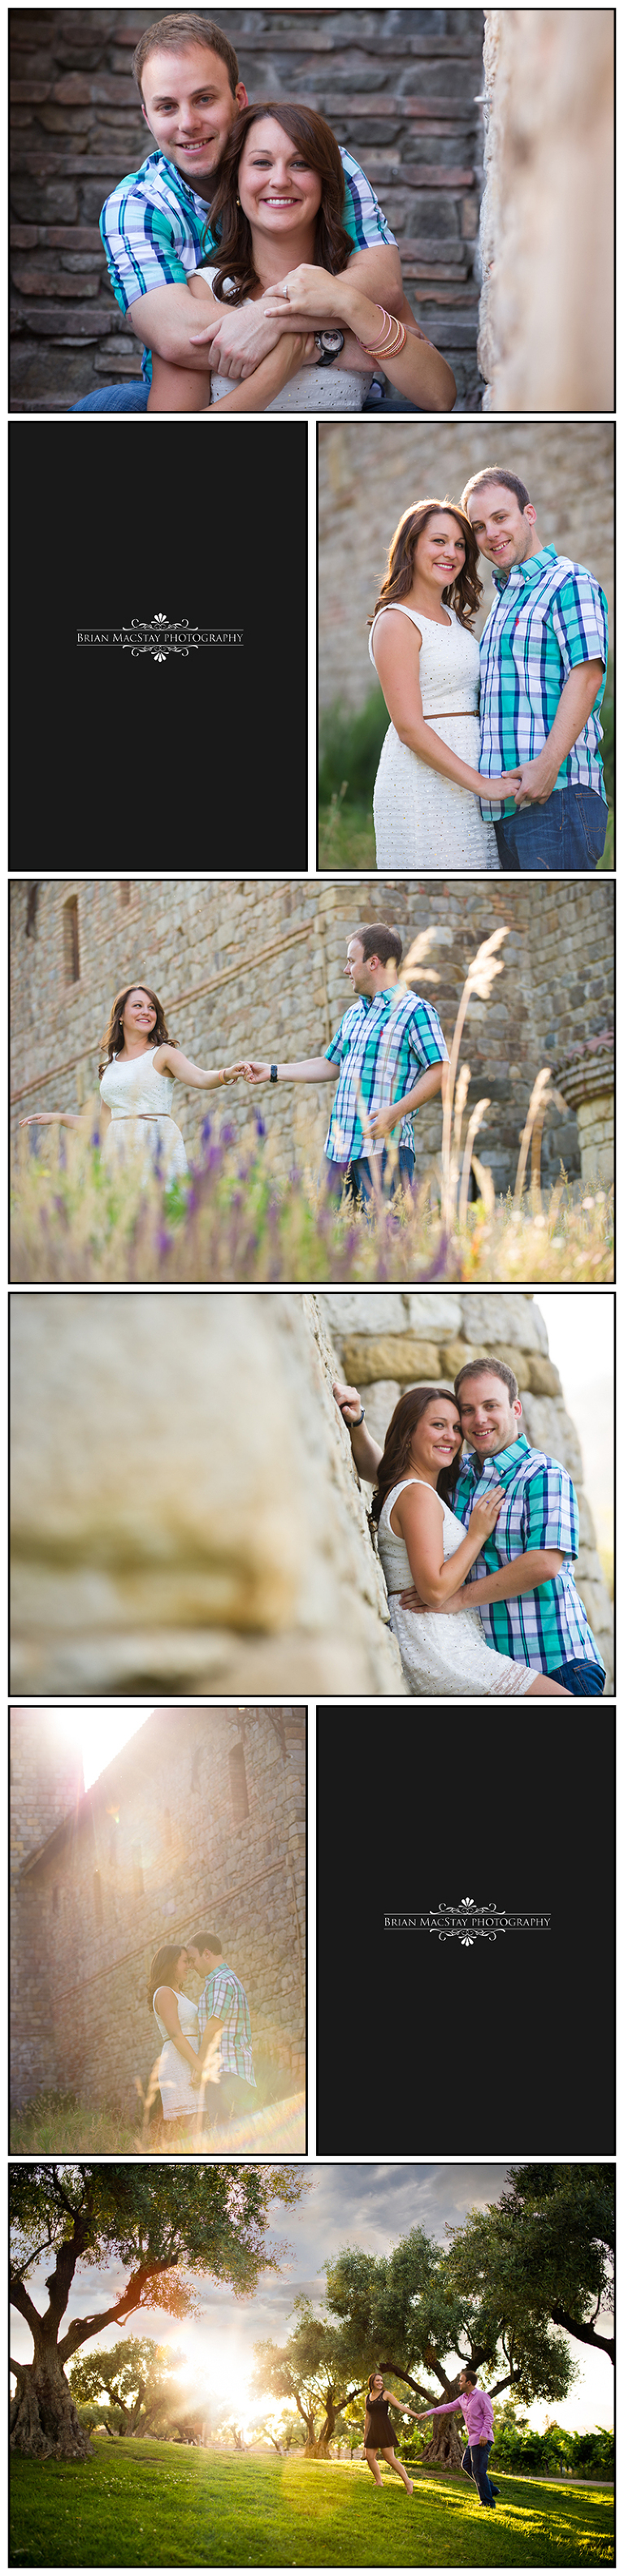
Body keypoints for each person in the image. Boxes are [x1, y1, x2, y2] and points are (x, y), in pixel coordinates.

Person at [76, 13, 447, 413]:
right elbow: (176, 335)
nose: (188, 123)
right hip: (201, 383)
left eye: (204, 99)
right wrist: (320, 343)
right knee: (108, 408)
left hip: (343, 395)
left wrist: (271, 323)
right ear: (147, 117)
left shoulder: (330, 167)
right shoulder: (137, 205)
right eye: (167, 107)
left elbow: (382, 283)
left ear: (238, 98)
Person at [148, 103, 457, 413]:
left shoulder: (356, 286)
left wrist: (347, 304)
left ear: (325, 186)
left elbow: (441, 397)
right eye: (262, 163)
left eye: (300, 164)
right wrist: (281, 365)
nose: (280, 180)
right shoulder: (204, 293)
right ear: (236, 185)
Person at [333, 1381, 572, 1697]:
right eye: (438, 1425)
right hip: (443, 1648)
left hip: (447, 1644)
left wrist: (358, 1426)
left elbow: (382, 1469)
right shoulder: (418, 1495)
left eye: (456, 1427)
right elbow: (434, 1591)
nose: (451, 1436)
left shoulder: (421, 1487)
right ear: (408, 1434)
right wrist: (476, 1534)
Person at [399, 1358, 605, 1695]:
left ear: (516, 1408)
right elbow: (399, 1470)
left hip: (557, 1667)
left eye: (490, 1406)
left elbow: (544, 1563)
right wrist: (357, 1423)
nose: (479, 1419)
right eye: (468, 1409)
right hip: (493, 1674)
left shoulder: (543, 1474)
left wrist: (458, 1598)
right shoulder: (458, 1473)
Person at [462, 467, 609, 872]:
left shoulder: (569, 580)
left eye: (500, 518)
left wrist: (547, 766)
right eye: (478, 526)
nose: (491, 534)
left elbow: (588, 674)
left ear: (529, 514)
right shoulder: (504, 601)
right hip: (503, 809)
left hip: (556, 798)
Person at [240, 921, 448, 1209]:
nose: (345, 969)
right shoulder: (353, 1014)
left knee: (384, 1244)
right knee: (334, 1245)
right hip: (337, 1156)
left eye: (351, 961)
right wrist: (273, 1071)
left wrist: (396, 1112)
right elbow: (330, 1064)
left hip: (384, 1152)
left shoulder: (416, 1010)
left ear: (373, 963)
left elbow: (440, 1070)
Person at [367, 500, 522, 869]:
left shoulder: (452, 616)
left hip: (468, 774)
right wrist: (482, 785)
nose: (451, 553)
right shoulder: (396, 621)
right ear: (412, 547)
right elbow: (408, 727)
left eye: (459, 545)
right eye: (438, 541)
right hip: (423, 780)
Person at [20, 983, 242, 1184]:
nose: (146, 1012)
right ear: (121, 1016)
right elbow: (104, 1123)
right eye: (138, 1006)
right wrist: (57, 1118)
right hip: (116, 1151)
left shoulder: (163, 1054)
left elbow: (201, 1078)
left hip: (157, 1144)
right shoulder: (110, 1066)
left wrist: (227, 1073)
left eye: (152, 1007)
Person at [187, 1932, 258, 2124]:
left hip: (225, 2073)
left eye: (193, 1960)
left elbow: (214, 2026)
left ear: (207, 1954)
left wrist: (199, 2065)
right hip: (236, 2074)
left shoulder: (220, 1981)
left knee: (225, 2140)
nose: (191, 1966)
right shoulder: (228, 1979)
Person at [414, 2370, 497, 2508]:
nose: (459, 2383)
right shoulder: (463, 2399)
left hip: (483, 2438)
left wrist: (484, 2434)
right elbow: (447, 2407)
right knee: (466, 2466)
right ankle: (492, 2489)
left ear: (468, 2383)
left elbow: (489, 2417)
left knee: (479, 2471)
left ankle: (488, 2502)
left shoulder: (482, 2396)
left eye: (461, 2381)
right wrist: (429, 2412)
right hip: (473, 2439)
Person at [150, 1941, 201, 2131]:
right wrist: (199, 2065)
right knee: (192, 2127)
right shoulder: (164, 1993)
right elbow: (175, 2033)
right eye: (184, 1961)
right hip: (181, 2064)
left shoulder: (181, 1995)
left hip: (192, 2060)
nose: (189, 1966)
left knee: (200, 2125)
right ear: (171, 1964)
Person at [363, 2372, 417, 2492]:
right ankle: (379, 2481)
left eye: (381, 2381)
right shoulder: (367, 2398)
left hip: (384, 2429)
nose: (380, 2383)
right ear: (372, 2382)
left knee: (390, 2459)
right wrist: (365, 2435)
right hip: (372, 2430)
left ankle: (408, 2482)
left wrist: (415, 2415)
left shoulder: (385, 2394)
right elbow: (367, 2418)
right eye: (377, 2380)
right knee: (369, 2457)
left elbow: (400, 2406)